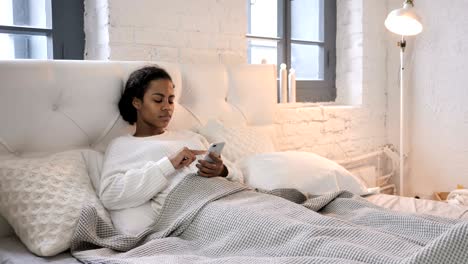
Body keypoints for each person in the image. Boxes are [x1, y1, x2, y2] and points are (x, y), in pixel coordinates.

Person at [99, 66, 243, 235]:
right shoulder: (123, 145)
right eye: (158, 100)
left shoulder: (191, 137)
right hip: (198, 212)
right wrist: (169, 164)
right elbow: (110, 195)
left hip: (232, 197)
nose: (167, 107)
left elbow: (239, 176)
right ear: (136, 102)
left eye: (171, 100)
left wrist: (222, 170)